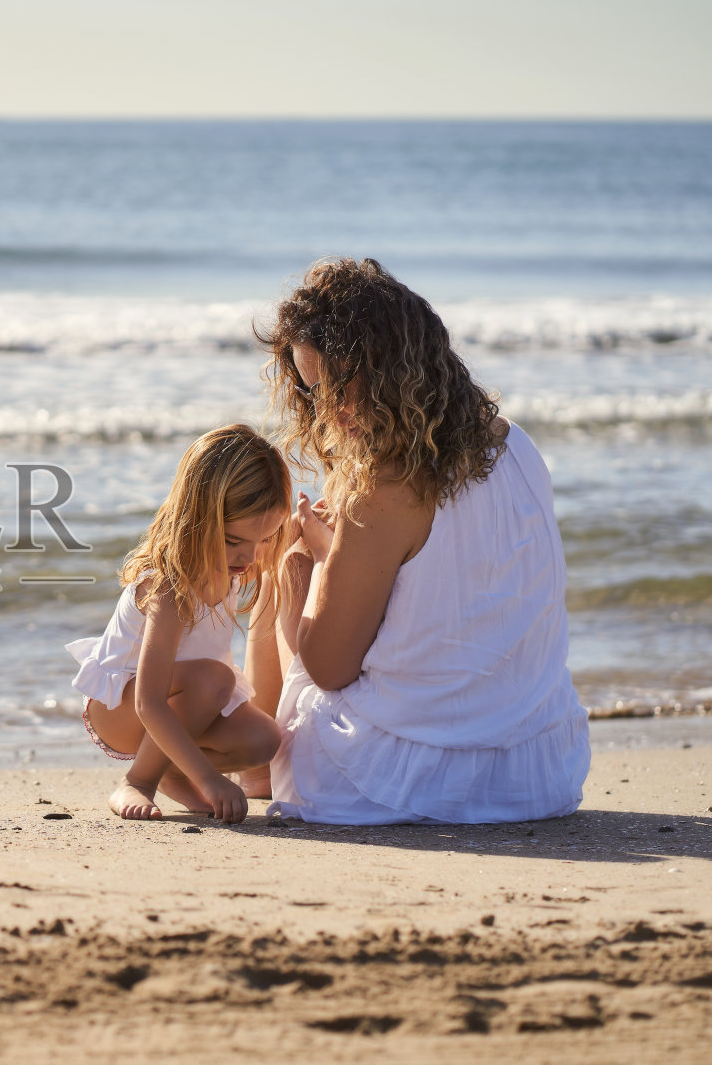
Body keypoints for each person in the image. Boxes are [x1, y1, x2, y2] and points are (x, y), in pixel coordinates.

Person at [250, 257, 590, 824]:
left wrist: (312, 563)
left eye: (340, 387)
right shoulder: (518, 446)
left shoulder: (384, 488)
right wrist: (346, 548)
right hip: (539, 771)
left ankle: (258, 772)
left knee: (284, 566)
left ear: (387, 369)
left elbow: (330, 669)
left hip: (406, 782)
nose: (328, 411)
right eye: (314, 393)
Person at [65, 424, 291, 824]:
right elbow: (148, 702)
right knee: (214, 678)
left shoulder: (233, 565)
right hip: (122, 708)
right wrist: (209, 780)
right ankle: (138, 780)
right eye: (234, 541)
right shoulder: (169, 588)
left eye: (265, 539)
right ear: (198, 519)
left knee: (264, 739)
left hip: (189, 701)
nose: (250, 556)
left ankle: (170, 771)